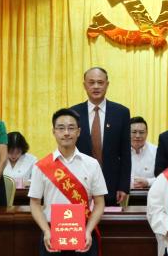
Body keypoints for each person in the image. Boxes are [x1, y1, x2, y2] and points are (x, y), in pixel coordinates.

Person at [29, 109, 107, 256]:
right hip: (51, 236)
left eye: (71, 128)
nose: (66, 133)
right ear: (53, 131)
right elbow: (34, 203)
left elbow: (99, 203)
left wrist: (88, 231)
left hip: (84, 235)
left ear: (78, 132)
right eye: (61, 128)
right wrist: (46, 231)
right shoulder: (41, 166)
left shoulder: (92, 164)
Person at [72, 67, 131, 206]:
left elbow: (125, 153)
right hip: (80, 184)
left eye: (100, 82)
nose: (96, 86)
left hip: (112, 186)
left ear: (107, 84)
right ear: (84, 85)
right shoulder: (73, 113)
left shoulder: (121, 112)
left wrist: (123, 186)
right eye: (91, 82)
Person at [130, 116, 159, 189]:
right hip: (125, 194)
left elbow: (164, 177)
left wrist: (148, 182)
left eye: (141, 132)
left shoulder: (156, 151)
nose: (137, 136)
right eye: (134, 132)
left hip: (150, 193)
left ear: (147, 133)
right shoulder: (119, 152)